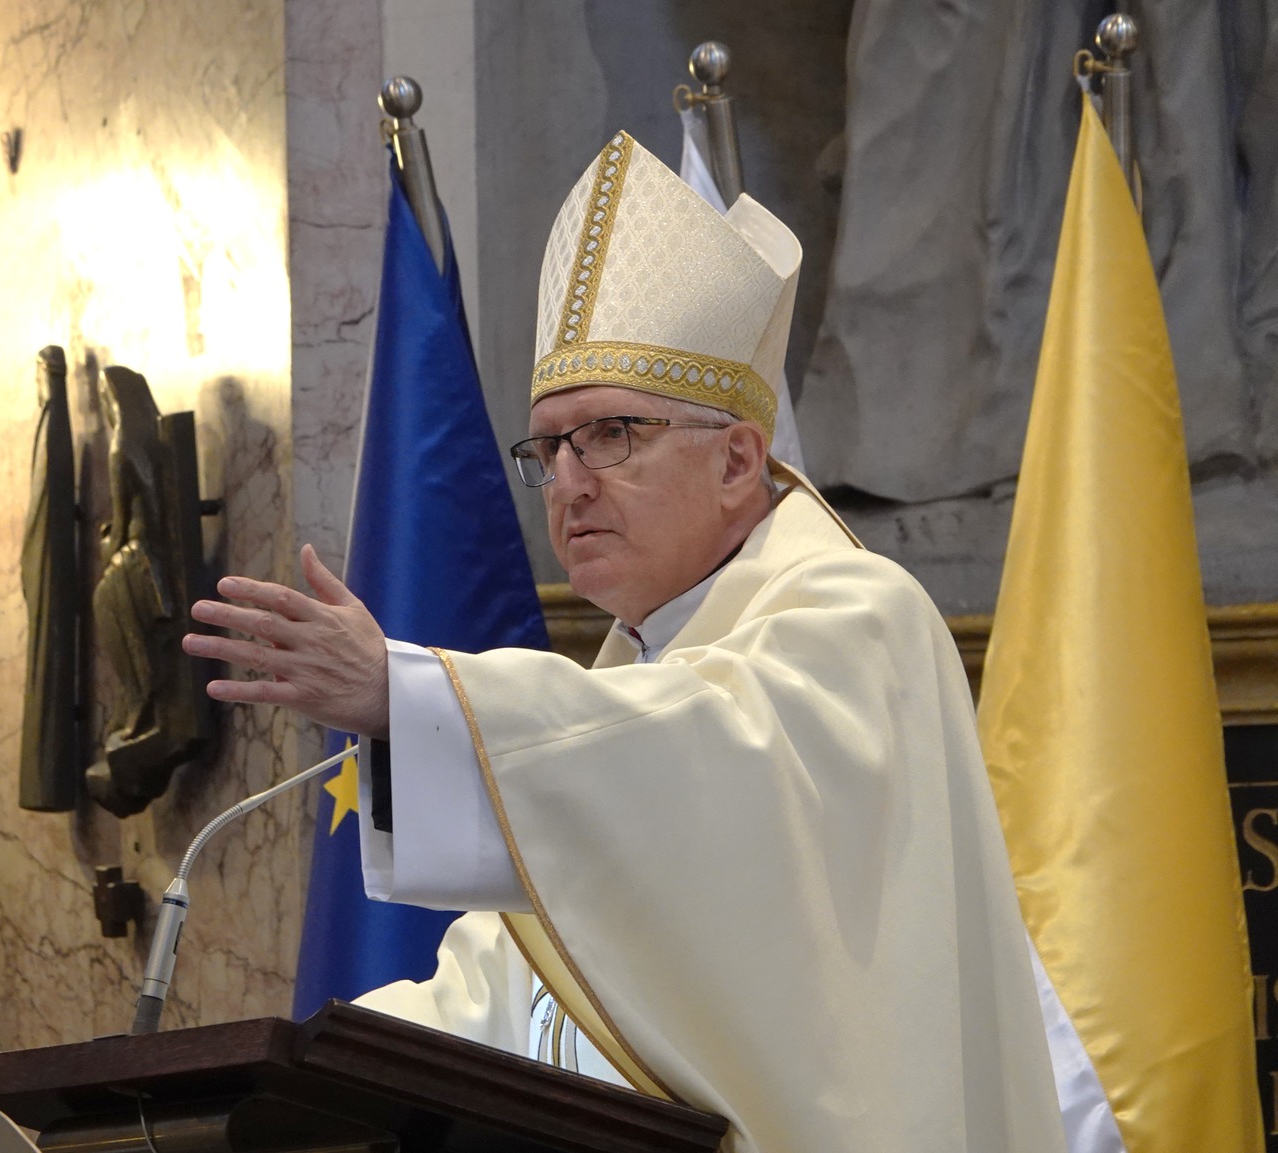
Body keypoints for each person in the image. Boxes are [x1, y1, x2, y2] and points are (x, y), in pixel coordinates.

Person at [182, 132, 1068, 1153]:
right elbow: (513, 985)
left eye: (612, 434)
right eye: (548, 446)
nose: (567, 482)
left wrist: (408, 693)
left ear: (737, 460)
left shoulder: (859, 619)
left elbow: (704, 758)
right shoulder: (631, 685)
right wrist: (286, 1074)